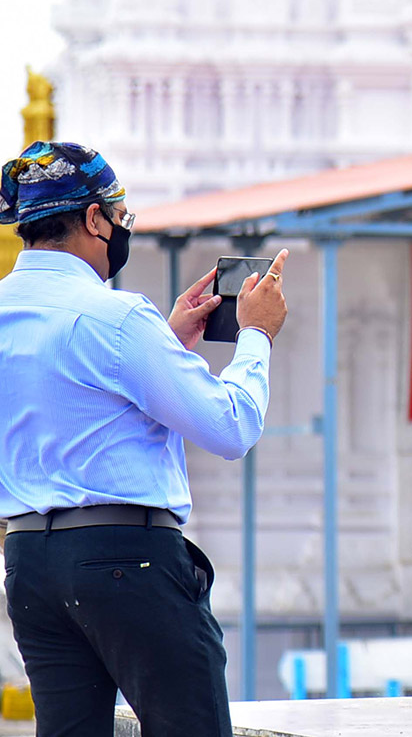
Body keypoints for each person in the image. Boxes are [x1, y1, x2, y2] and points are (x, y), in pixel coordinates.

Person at [0, 142, 289, 737]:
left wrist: (168, 341)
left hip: (29, 560)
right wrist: (256, 335)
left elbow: (72, 403)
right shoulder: (116, 318)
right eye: (119, 216)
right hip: (124, 558)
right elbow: (230, 427)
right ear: (93, 219)